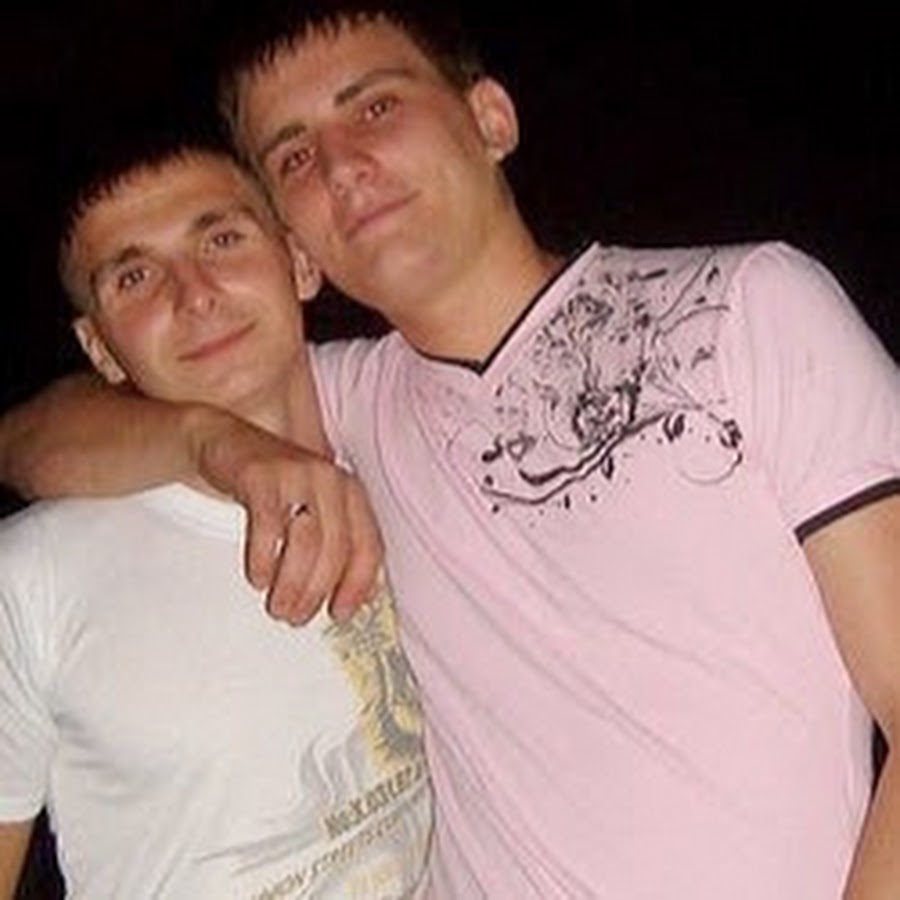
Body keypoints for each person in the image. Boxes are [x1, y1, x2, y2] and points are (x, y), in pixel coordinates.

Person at [2, 1, 899, 896]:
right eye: (295, 156)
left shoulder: (745, 308)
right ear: (297, 241)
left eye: (375, 107)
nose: (343, 165)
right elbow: (29, 439)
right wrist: (215, 445)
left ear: (490, 118)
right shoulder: (352, 406)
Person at [0, 130, 432, 898]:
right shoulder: (32, 576)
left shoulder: (410, 446)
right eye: (135, 276)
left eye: (222, 239)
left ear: (299, 260)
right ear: (99, 348)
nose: (193, 293)